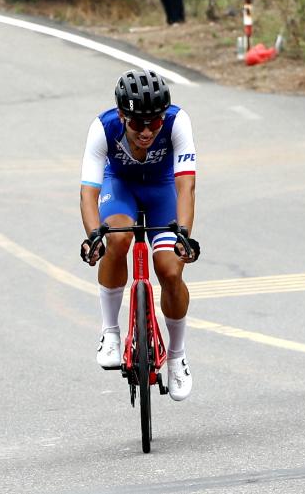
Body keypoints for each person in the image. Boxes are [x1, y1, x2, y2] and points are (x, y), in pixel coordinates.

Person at [80, 70, 199, 401]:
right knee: (117, 239)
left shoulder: (178, 122)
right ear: (122, 116)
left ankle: (176, 356)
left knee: (170, 270)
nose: (147, 131)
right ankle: (110, 332)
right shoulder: (103, 127)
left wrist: (184, 235)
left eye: (154, 122)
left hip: (163, 190)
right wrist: (93, 236)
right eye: (137, 124)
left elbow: (186, 186)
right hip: (120, 187)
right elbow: (88, 193)